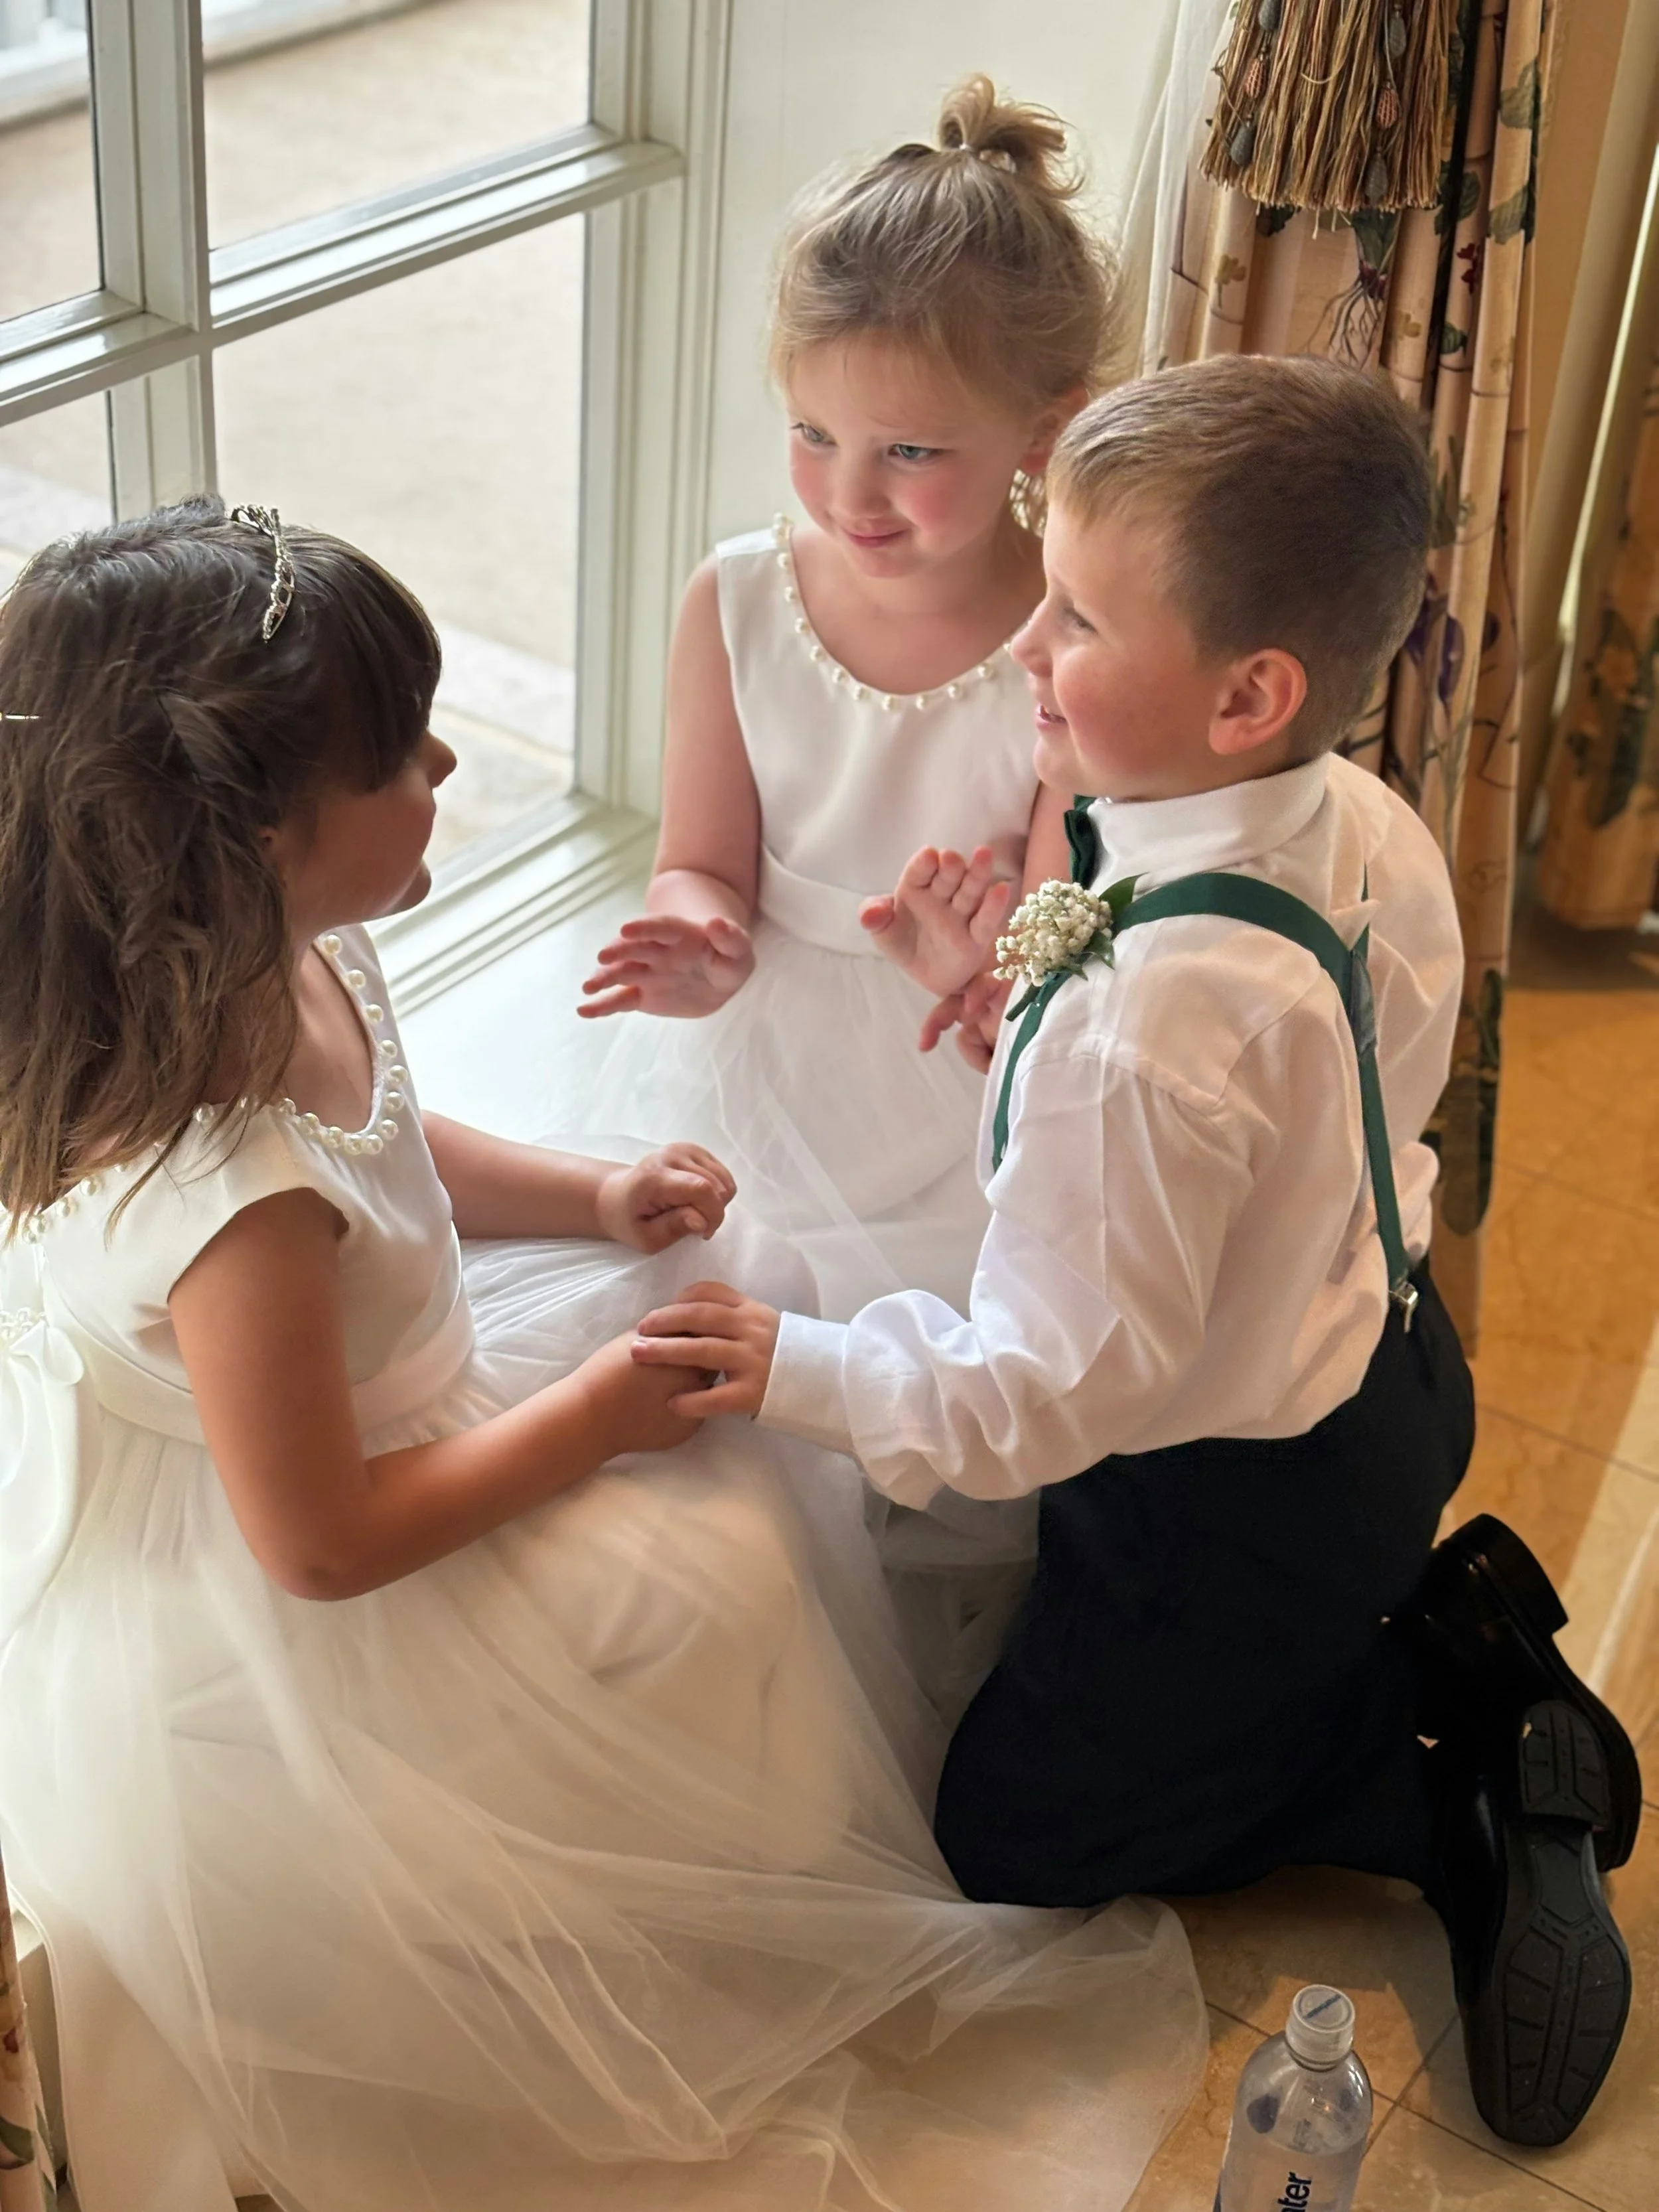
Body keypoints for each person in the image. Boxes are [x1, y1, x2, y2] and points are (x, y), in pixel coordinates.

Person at [0, 500, 1208, 2212]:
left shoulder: (293, 950)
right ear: (256, 828)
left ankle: (711, 1865)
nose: (442, 766)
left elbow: (399, 1147)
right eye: (397, 758)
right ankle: (651, 1945)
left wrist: (591, 1193)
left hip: (396, 1394)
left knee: (732, 1328)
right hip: (326, 1549)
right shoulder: (235, 1199)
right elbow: (327, 1540)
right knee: (710, 1574)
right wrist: (591, 1416)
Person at [631, 354, 1646, 2151]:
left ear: (1248, 691)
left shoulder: (1136, 1029)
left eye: (1078, 614)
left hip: (1225, 1503)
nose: (1025, 642)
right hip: (1387, 1365)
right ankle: (1380, 1625)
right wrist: (991, 993)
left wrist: (791, 1364)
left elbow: (1034, 1397)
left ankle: (1442, 1762)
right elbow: (1324, 1110)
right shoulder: (1365, 823)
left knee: (1007, 1840)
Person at [571, 74, 1116, 1324]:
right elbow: (701, 858)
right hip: (756, 1055)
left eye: (910, 452)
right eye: (814, 433)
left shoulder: (1063, 637)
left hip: (944, 1068)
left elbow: (1047, 915)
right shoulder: (737, 600)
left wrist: (984, 961)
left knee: (912, 1359)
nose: (848, 493)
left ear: (1045, 432)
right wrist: (698, 938)